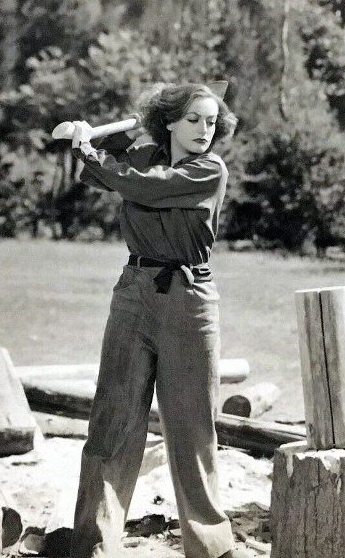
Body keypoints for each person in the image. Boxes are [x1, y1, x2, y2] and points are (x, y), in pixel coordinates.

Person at [66, 83, 241, 558]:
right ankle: (93, 545)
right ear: (169, 122)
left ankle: (210, 548)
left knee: (192, 428)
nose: (205, 130)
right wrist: (95, 140)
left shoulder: (209, 169)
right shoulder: (146, 156)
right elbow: (103, 176)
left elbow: (144, 187)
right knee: (112, 420)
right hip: (133, 291)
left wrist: (89, 150)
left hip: (190, 299)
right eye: (193, 120)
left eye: (210, 121)